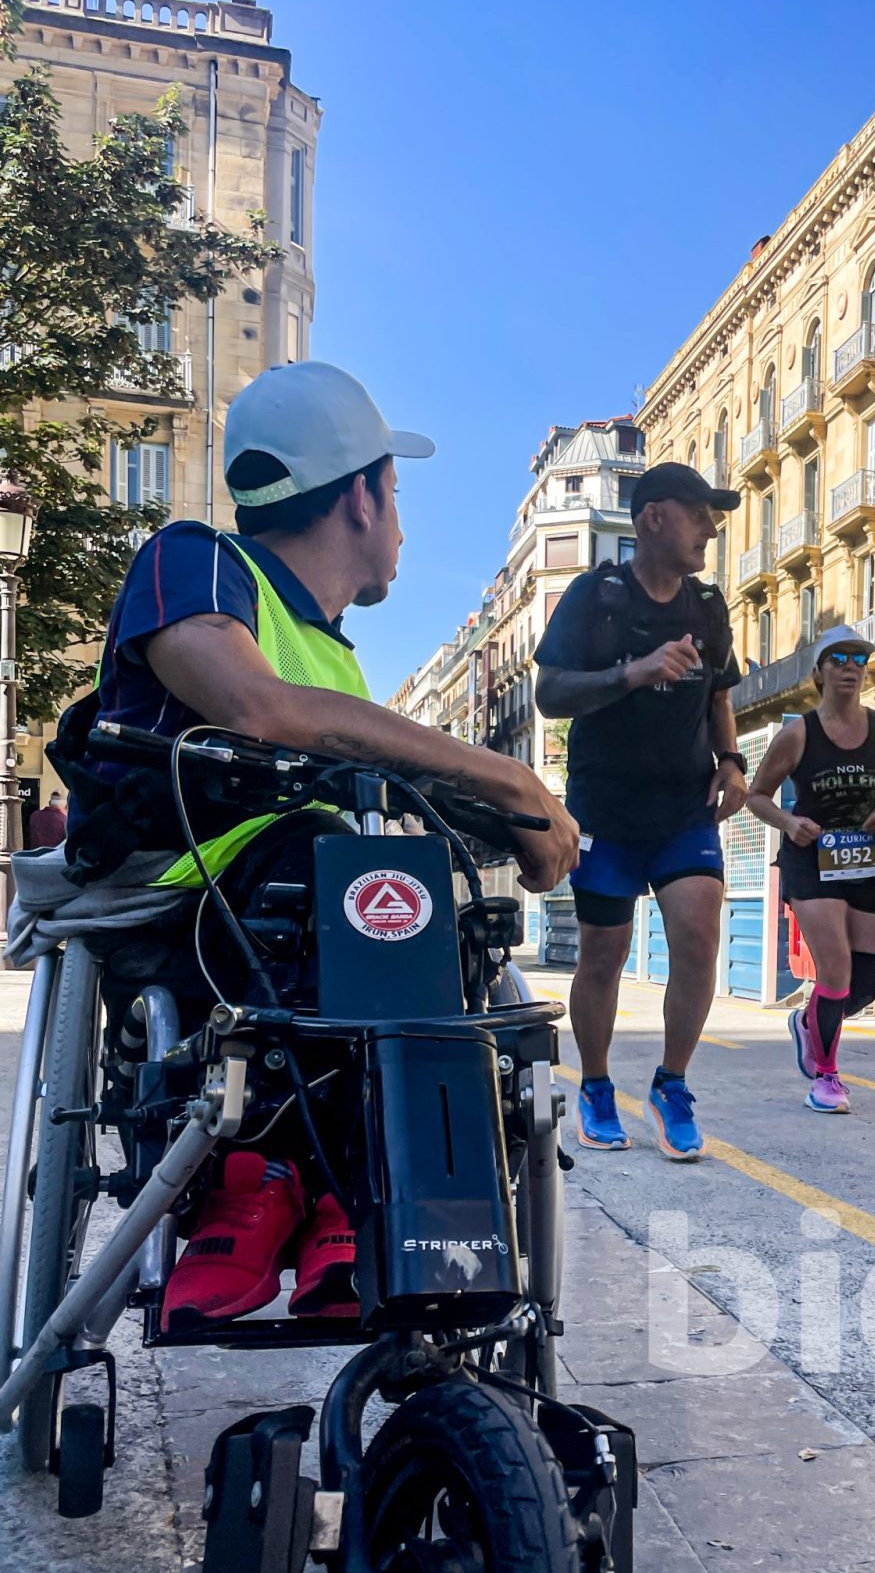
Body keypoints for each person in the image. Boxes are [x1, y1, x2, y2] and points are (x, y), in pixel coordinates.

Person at [49, 360, 577, 1328]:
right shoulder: (194, 559)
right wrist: (509, 778)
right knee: (330, 854)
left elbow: (366, 761)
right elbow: (256, 706)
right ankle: (257, 1179)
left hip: (302, 895)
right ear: (368, 493)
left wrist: (518, 828)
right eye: (398, 495)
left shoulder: (336, 656)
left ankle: (357, 1187)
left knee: (428, 909)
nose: (403, 526)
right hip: (185, 899)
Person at [534, 461, 747, 1161]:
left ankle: (671, 1084)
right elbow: (550, 695)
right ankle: (595, 1086)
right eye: (699, 514)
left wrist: (732, 762)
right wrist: (635, 671)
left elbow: (719, 693)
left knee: (697, 935)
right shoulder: (595, 598)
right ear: (653, 517)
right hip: (606, 811)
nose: (710, 529)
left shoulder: (708, 608)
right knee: (604, 954)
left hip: (683, 808)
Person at [745, 627, 875, 1113]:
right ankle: (826, 1077)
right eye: (838, 658)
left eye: (859, 659)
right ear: (819, 672)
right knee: (834, 970)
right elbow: (756, 795)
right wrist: (789, 821)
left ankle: (807, 1023)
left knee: (861, 984)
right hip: (812, 858)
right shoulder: (798, 733)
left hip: (867, 859)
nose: (850, 666)